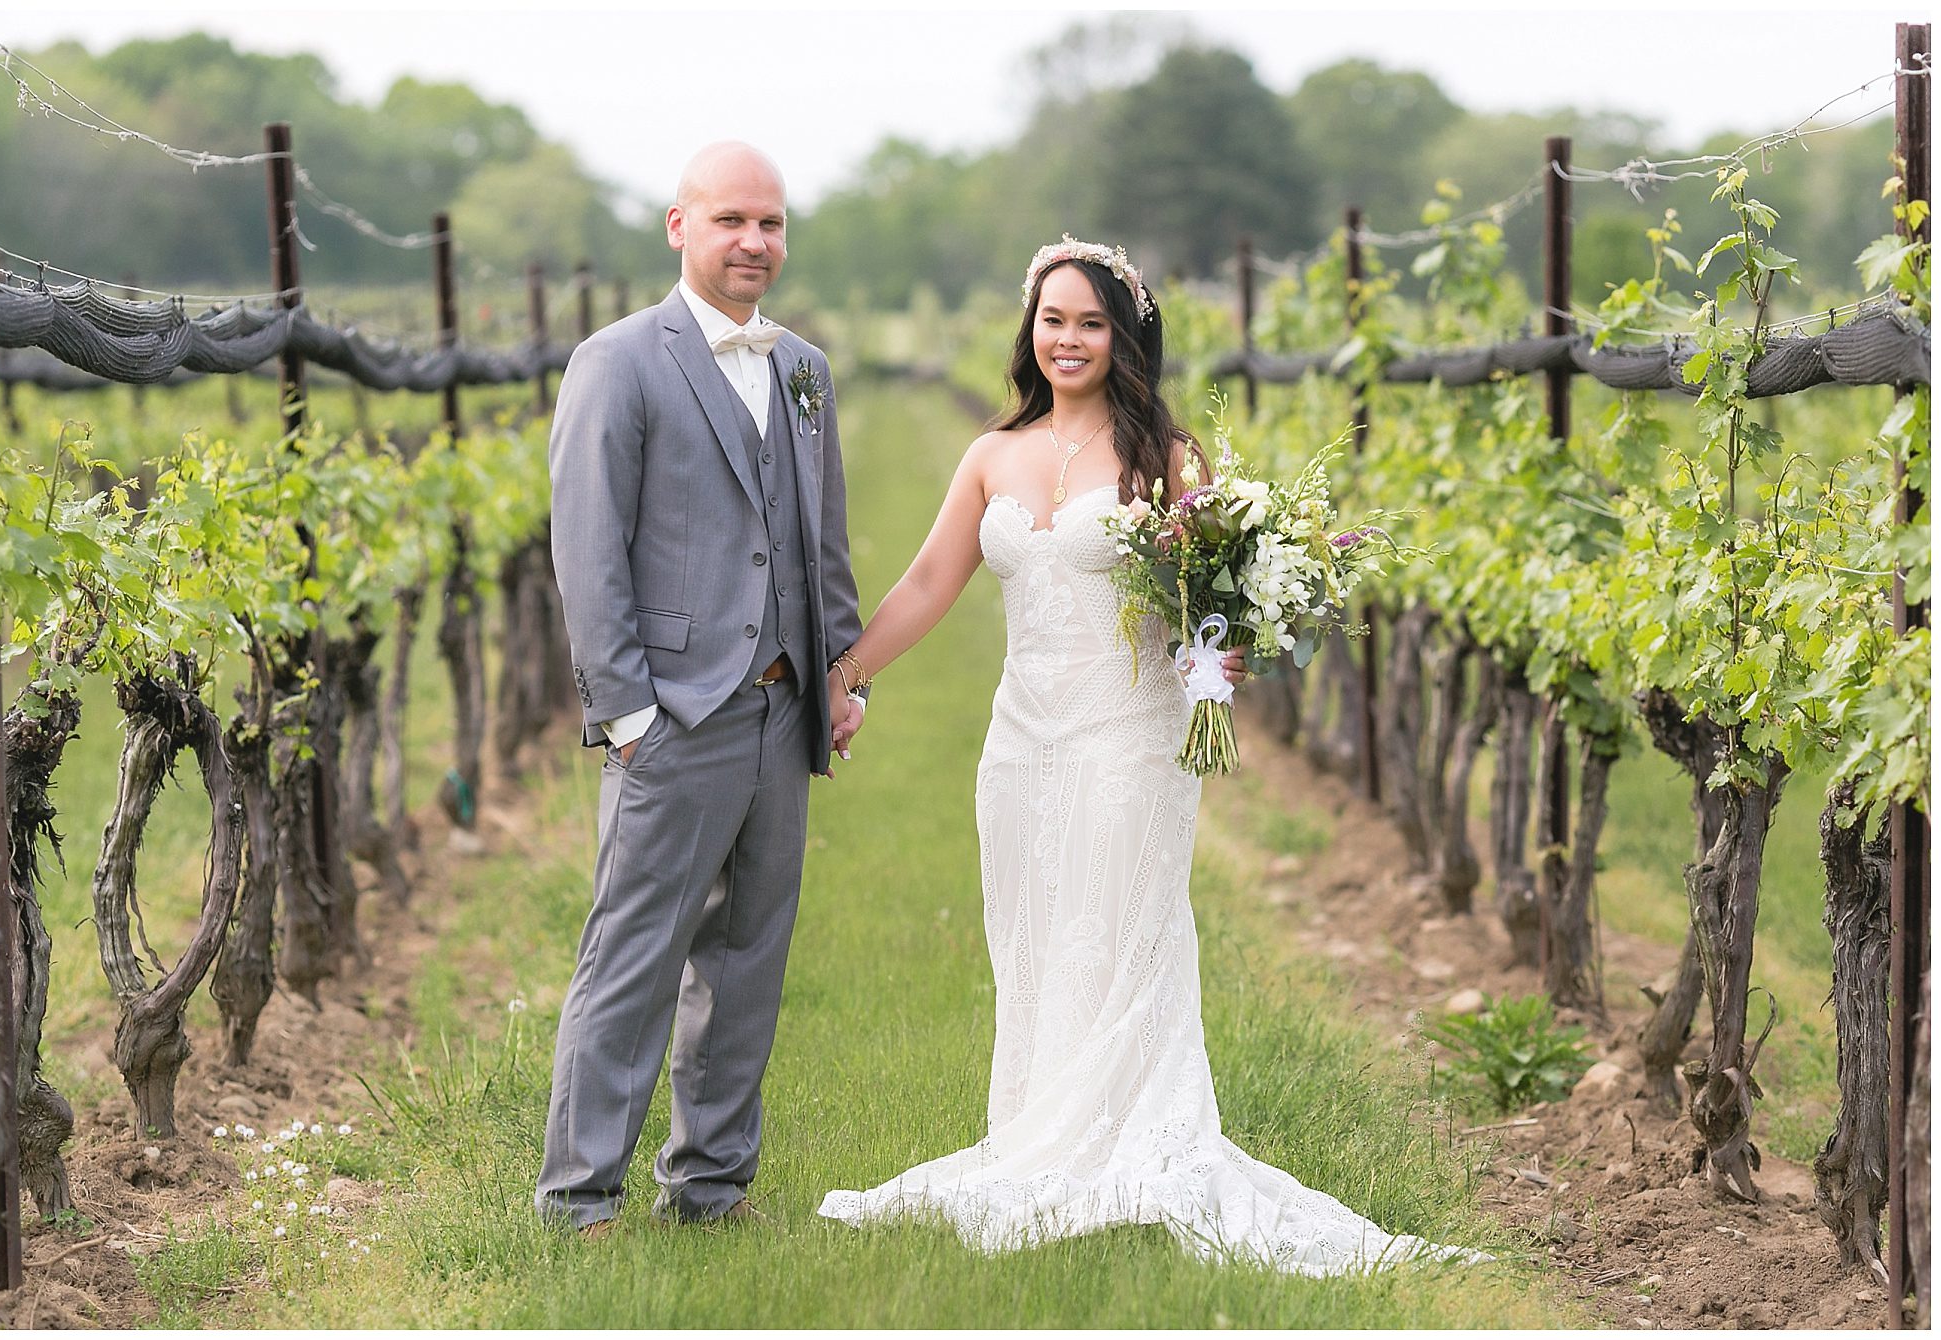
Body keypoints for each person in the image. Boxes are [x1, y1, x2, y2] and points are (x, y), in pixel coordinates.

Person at [816, 238, 1487, 1273]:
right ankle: (1040, 1136)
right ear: (1026, 331)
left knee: (1120, 933)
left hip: (1128, 738)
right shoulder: (992, 453)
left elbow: (1208, 615)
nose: (1067, 339)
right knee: (1034, 936)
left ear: (1123, 337)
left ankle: (1130, 1144)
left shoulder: (1165, 460)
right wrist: (845, 674)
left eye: (1089, 323)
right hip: (1019, 740)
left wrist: (1228, 651)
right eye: (1051, 320)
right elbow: (923, 584)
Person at [537, 141, 863, 1234]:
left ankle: (711, 1186)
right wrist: (627, 713)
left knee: (747, 962)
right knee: (632, 960)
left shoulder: (805, 368)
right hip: (671, 715)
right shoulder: (618, 362)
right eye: (730, 220)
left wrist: (837, 675)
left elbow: (821, 541)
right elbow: (587, 550)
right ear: (678, 225)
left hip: (779, 709)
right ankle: (579, 1197)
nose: (753, 243)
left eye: (770, 223)